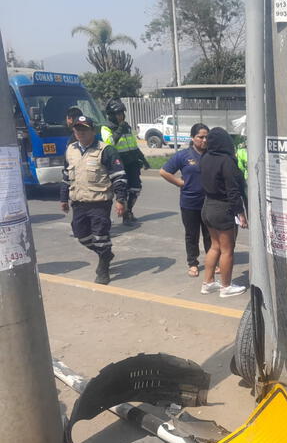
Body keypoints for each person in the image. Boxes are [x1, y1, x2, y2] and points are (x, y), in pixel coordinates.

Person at [60, 116, 127, 285]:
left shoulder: (106, 150)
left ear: (93, 131)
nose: (80, 132)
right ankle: (105, 253)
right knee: (81, 235)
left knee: (100, 236)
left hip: (99, 202)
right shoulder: (70, 150)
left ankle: (103, 268)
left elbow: (118, 176)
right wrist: (63, 198)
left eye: (84, 129)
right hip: (79, 202)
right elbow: (66, 176)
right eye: (77, 129)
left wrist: (120, 199)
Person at [199, 127, 248, 298]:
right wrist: (241, 213)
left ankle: (208, 283)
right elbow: (232, 190)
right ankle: (226, 287)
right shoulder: (226, 161)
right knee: (227, 249)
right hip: (222, 208)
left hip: (207, 206)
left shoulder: (205, 158)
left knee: (215, 246)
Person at [159, 123, 212, 277]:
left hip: (209, 203)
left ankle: (211, 261)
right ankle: (193, 263)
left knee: (209, 234)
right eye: (200, 137)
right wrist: (180, 183)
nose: (204, 140)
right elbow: (164, 171)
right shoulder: (183, 155)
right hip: (190, 203)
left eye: (206, 137)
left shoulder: (211, 154)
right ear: (192, 138)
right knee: (192, 234)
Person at [101, 98, 150, 225]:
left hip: (132, 161)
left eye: (122, 113)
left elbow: (133, 145)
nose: (121, 116)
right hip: (119, 162)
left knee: (136, 188)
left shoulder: (126, 126)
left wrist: (143, 159)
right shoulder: (106, 128)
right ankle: (124, 214)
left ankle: (128, 211)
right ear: (111, 115)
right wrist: (119, 130)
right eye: (118, 114)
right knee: (121, 190)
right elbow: (109, 144)